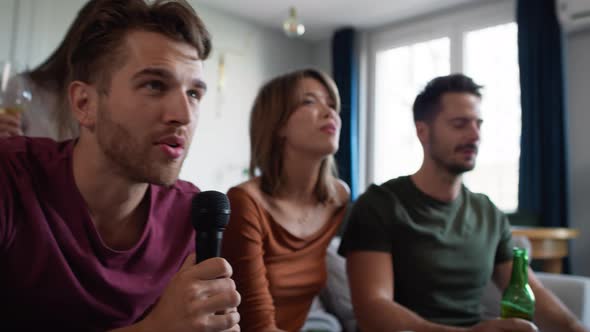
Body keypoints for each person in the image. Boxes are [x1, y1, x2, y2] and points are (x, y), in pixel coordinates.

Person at [0, 0, 240, 331]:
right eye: (154, 85)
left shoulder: (189, 214)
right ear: (84, 104)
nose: (183, 115)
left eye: (194, 94)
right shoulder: (10, 178)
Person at [338, 74, 588, 332]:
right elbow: (372, 310)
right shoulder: (379, 205)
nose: (474, 135)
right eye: (460, 124)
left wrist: (576, 328)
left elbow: (531, 290)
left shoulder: (488, 213)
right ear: (423, 131)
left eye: (478, 124)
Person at [221, 68, 350, 332]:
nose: (330, 113)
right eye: (309, 101)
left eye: (331, 103)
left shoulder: (338, 198)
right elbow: (256, 325)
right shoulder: (245, 203)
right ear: (278, 124)